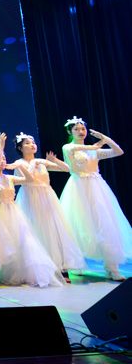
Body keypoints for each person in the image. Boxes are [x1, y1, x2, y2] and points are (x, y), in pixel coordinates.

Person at [0, 133, 64, 287]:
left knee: (23, 242)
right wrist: (0, 146)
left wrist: (20, 166)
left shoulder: (9, 178)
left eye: (4, 159)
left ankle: (27, 272)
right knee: (5, 245)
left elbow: (29, 180)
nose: (2, 161)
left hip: (14, 214)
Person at [59, 117, 130, 281]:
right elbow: (77, 148)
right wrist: (97, 144)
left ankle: (112, 268)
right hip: (78, 188)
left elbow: (118, 151)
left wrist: (106, 139)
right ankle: (76, 264)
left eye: (83, 128)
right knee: (77, 224)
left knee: (104, 224)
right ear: (70, 132)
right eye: (76, 129)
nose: (80, 131)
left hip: (97, 187)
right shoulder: (68, 147)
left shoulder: (94, 151)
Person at [11, 132, 84, 282]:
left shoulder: (41, 161)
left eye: (33, 142)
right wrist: (34, 164)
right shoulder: (19, 163)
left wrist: (54, 160)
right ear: (20, 148)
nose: (32, 145)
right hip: (30, 198)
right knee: (35, 230)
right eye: (27, 143)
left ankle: (60, 267)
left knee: (54, 231)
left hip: (47, 197)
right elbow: (26, 179)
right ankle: (40, 268)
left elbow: (67, 169)